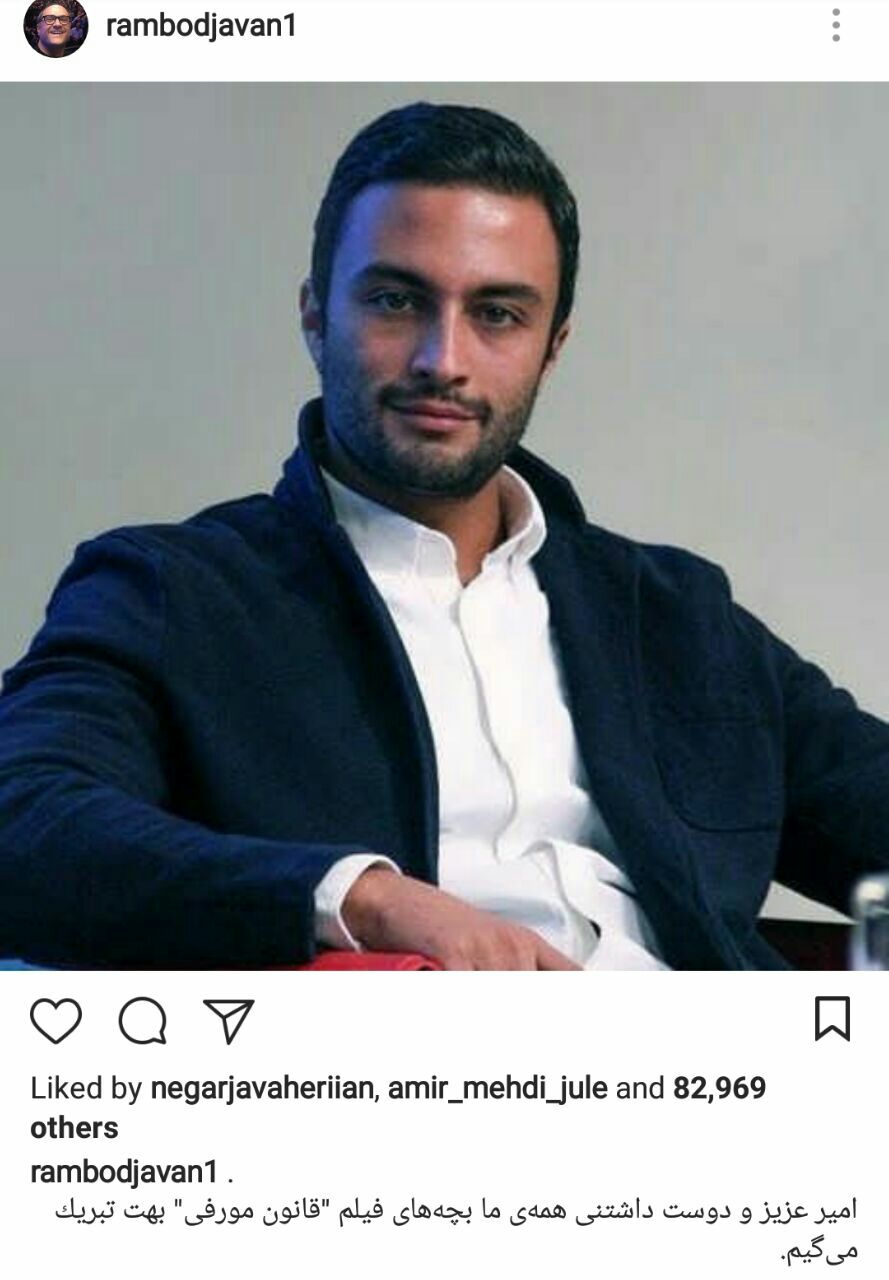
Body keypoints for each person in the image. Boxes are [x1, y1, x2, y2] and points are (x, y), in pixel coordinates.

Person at [2, 103, 888, 971]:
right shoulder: (172, 591)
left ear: (551, 346)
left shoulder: (674, 613)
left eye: (497, 314)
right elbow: (24, 817)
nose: (443, 360)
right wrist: (362, 899)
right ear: (314, 315)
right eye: (396, 300)